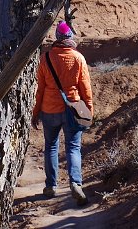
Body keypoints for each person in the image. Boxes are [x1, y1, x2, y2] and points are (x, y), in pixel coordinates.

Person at [32, 20, 93, 205]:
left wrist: (36, 112)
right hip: (73, 109)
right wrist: (88, 110)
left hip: (49, 109)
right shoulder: (78, 58)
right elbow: (85, 88)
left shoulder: (46, 57)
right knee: (73, 147)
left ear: (57, 37)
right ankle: (76, 183)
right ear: (70, 37)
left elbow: (40, 89)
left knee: (51, 146)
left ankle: (51, 186)